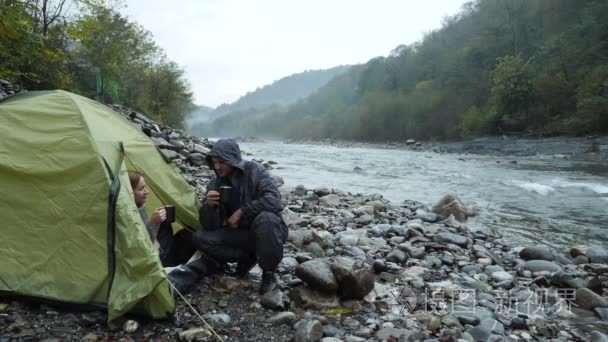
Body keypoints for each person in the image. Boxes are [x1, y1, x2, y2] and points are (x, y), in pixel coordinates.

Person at [193, 138, 288, 294]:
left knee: (267, 219)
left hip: (268, 232)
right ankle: (248, 257)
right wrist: (208, 207)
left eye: (221, 162)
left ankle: (269, 274)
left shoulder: (255, 171)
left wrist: (242, 211)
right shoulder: (215, 184)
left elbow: (275, 201)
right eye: (214, 162)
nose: (217, 166)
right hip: (241, 236)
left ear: (233, 160)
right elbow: (209, 226)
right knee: (199, 237)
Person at [128, 171, 219, 293]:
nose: (147, 191)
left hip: (160, 249)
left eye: (145, 187)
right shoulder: (125, 214)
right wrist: (153, 223)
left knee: (189, 234)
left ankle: (199, 257)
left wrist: (158, 221)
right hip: (154, 260)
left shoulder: (139, 205)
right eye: (141, 189)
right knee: (200, 263)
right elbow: (139, 246)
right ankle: (200, 263)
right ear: (129, 192)